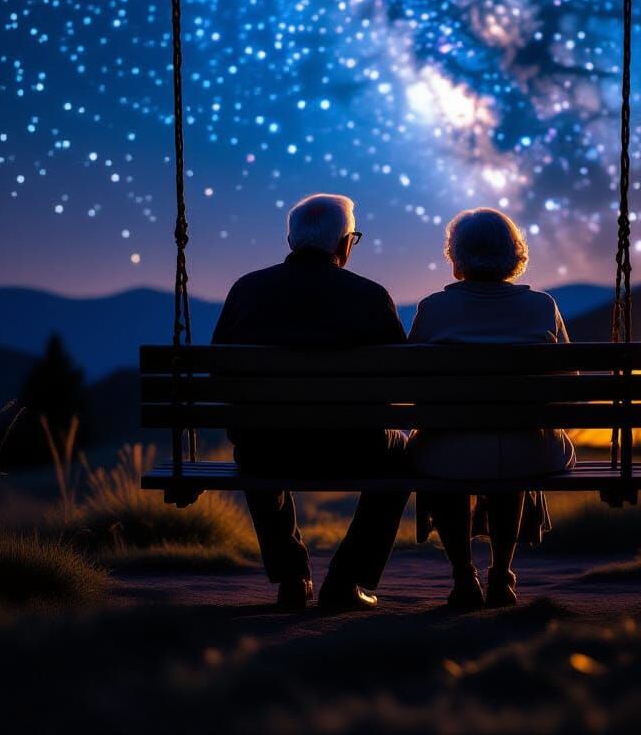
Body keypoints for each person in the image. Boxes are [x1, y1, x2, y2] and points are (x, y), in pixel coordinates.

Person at [212, 193, 409, 612]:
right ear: (344, 244)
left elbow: (221, 377)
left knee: (255, 439)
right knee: (404, 454)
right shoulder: (371, 296)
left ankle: (291, 577)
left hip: (267, 448)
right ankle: (348, 579)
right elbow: (404, 382)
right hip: (356, 448)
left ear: (290, 242)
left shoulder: (247, 290)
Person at [407, 207, 576, 610]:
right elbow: (567, 381)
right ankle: (501, 574)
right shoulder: (541, 306)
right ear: (514, 253)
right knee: (517, 442)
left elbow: (413, 384)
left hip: (450, 452)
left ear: (456, 256)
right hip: (527, 452)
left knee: (444, 448)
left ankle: (464, 576)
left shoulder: (433, 309)